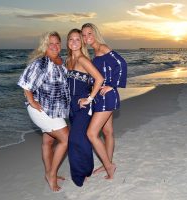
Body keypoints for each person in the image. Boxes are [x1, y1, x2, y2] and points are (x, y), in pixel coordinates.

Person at [17, 31, 70, 192]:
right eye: (50, 43)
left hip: (55, 109)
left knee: (48, 142)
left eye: (57, 43)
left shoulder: (61, 61)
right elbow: (25, 82)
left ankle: (48, 171)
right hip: (42, 110)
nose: (54, 46)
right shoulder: (41, 62)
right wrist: (32, 101)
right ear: (44, 46)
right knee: (66, 139)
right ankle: (51, 175)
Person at [81, 23, 127, 179]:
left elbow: (121, 63)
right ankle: (107, 163)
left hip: (108, 96)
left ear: (95, 34)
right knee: (107, 132)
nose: (86, 37)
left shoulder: (102, 47)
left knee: (91, 133)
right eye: (84, 35)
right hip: (100, 97)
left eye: (89, 34)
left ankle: (109, 166)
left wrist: (112, 85)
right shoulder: (94, 52)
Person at [66, 28, 104, 186]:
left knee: (74, 139)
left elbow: (99, 79)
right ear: (67, 42)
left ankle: (79, 175)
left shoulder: (82, 59)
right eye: (71, 39)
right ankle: (87, 169)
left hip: (83, 107)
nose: (74, 42)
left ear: (81, 42)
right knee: (82, 139)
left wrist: (89, 98)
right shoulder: (68, 61)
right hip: (71, 106)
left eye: (77, 39)